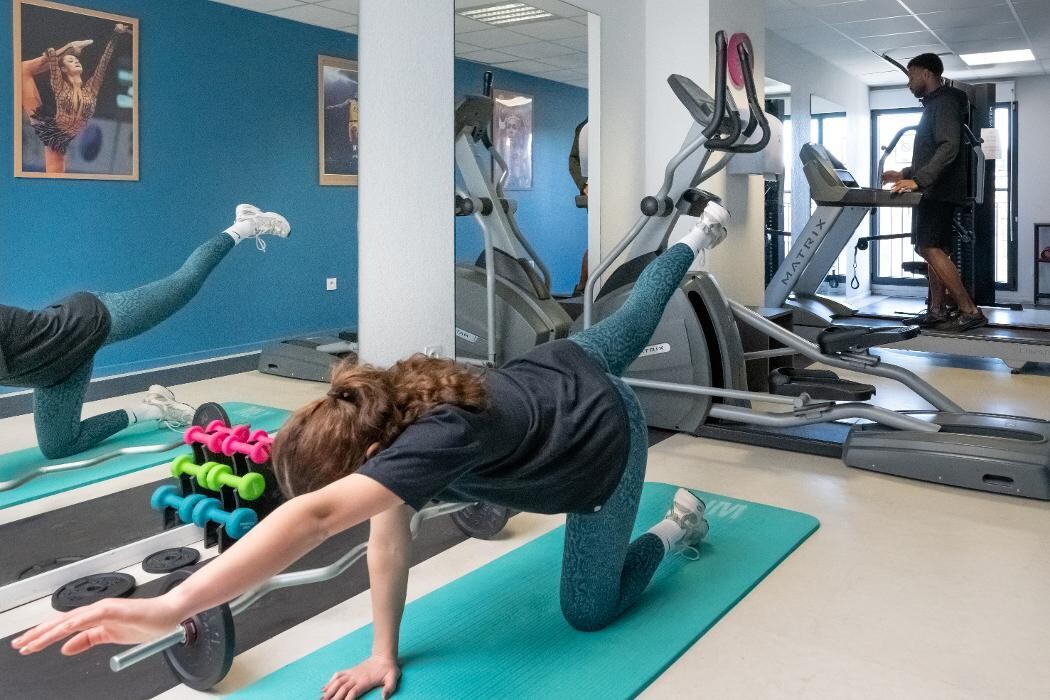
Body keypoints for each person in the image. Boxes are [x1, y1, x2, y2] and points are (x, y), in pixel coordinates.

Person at [11, 206, 730, 700]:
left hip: (603, 442)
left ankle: (676, 531)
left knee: (588, 611)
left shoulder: (436, 436)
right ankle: (696, 238)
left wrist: (177, 604)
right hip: (560, 365)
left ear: (378, 454)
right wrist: (384, 653)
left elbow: (321, 519)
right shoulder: (386, 401)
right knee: (632, 315)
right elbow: (388, 547)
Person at [1, 205, 290, 460]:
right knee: (59, 447)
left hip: (87, 321)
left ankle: (246, 224)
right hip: (56, 372)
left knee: (182, 286)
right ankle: (155, 410)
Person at [881, 53, 987, 332]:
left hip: (938, 190)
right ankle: (937, 310)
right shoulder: (936, 105)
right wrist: (905, 174)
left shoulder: (944, 103)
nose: (909, 83)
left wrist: (920, 181)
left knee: (927, 247)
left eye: (911, 76)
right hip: (934, 187)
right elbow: (933, 151)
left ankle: (969, 310)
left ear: (927, 74)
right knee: (934, 249)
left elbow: (949, 147)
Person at [20, 24, 132, 174]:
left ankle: (68, 49)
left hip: (64, 137)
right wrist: (56, 53)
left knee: (55, 173)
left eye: (76, 60)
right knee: (22, 70)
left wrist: (115, 35)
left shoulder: (91, 89)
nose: (76, 62)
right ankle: (68, 48)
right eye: (71, 61)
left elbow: (104, 62)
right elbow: (54, 65)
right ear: (64, 69)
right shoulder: (60, 86)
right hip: (51, 130)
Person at [569, 119, 589, 296]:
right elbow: (574, 159)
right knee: (598, 242)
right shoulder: (585, 127)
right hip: (596, 192)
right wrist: (584, 185)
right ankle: (582, 289)